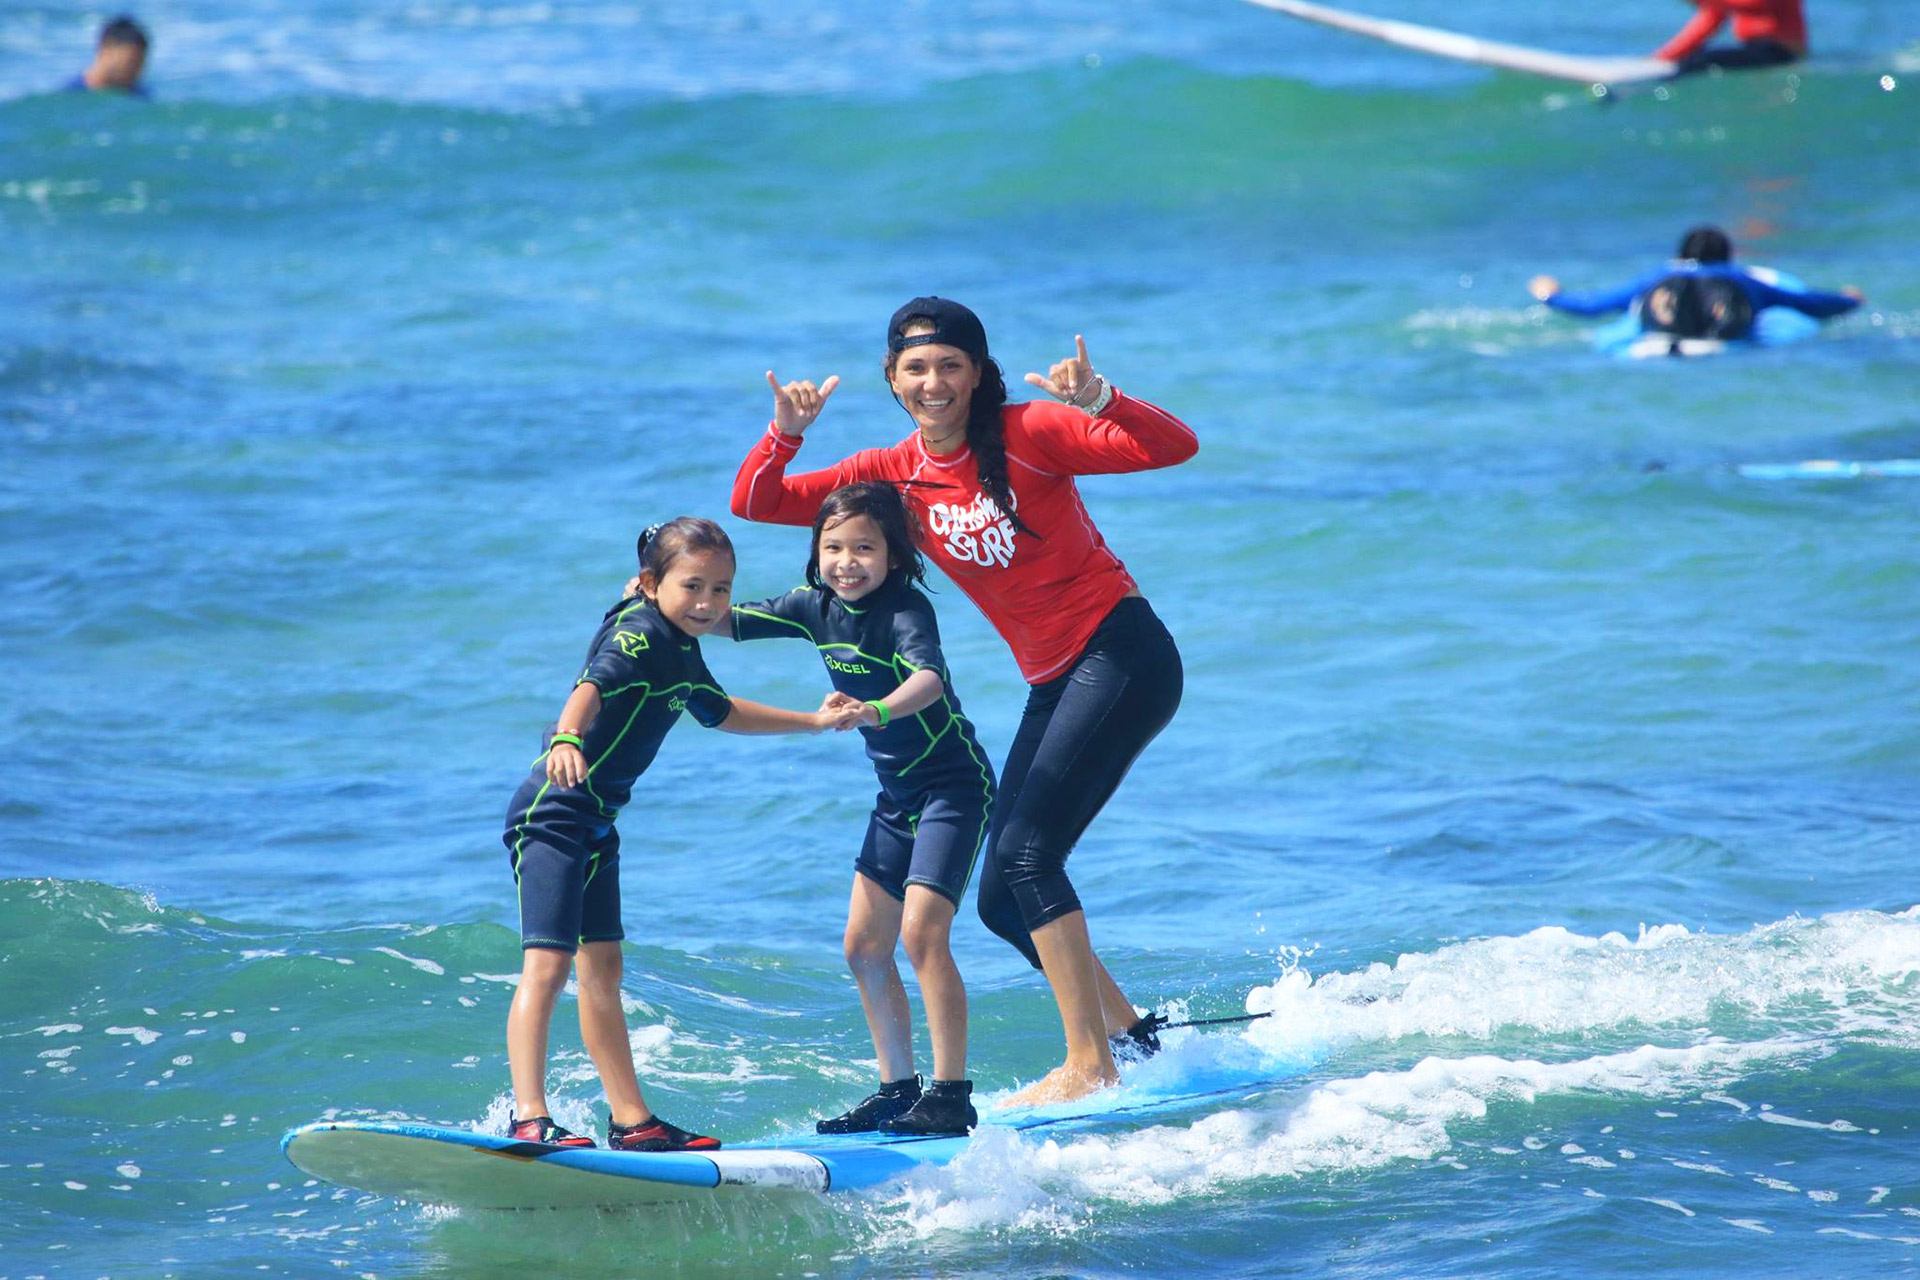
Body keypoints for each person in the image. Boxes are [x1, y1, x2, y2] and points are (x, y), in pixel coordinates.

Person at [731, 297, 1199, 1105]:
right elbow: (758, 502)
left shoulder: (1030, 433)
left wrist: (1099, 401)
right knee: (999, 899)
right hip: (1054, 677)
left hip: (1122, 654)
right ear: (892, 378)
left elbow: (1172, 446)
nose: (934, 381)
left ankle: (1090, 1064)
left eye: (951, 365)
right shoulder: (891, 472)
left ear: (978, 375)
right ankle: (1132, 1040)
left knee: (1027, 859)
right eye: (916, 367)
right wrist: (786, 433)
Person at [503, 517, 857, 1151]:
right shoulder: (641, 636)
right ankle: (529, 1115)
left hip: (596, 824)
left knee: (604, 969)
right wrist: (564, 736)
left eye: (721, 590)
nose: (708, 604)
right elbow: (592, 685)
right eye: (692, 586)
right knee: (549, 965)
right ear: (651, 584)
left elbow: (720, 712)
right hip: (553, 814)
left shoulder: (680, 646)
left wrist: (809, 720)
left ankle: (631, 1121)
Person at [730, 482, 996, 1135]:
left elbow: (927, 680)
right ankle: (897, 1090)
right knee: (862, 947)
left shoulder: (906, 611)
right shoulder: (811, 606)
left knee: (922, 934)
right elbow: (723, 619)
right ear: (816, 551)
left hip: (952, 787)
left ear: (894, 555)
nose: (847, 561)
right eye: (834, 547)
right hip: (897, 795)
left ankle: (952, 1094)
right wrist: (657, 602)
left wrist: (872, 710)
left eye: (865, 548)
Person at [1529, 225, 1863, 346]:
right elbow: (1809, 304)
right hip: (1726, 337)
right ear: (1729, 257)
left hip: (1665, 335)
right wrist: (1848, 300)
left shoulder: (1659, 278)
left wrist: (1550, 295)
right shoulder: (1742, 279)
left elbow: (1593, 307)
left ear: (1680, 255)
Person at [1653, 0, 1805, 74]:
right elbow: (1710, 20)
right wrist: (1664, 56)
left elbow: (1757, 4)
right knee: (1693, 60)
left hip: (1781, 51)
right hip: (1754, 49)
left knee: (1703, 61)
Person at [67, 15, 150, 96]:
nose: (136, 72)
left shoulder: (140, 97)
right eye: (131, 63)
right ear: (105, 51)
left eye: (140, 64)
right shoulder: (70, 95)